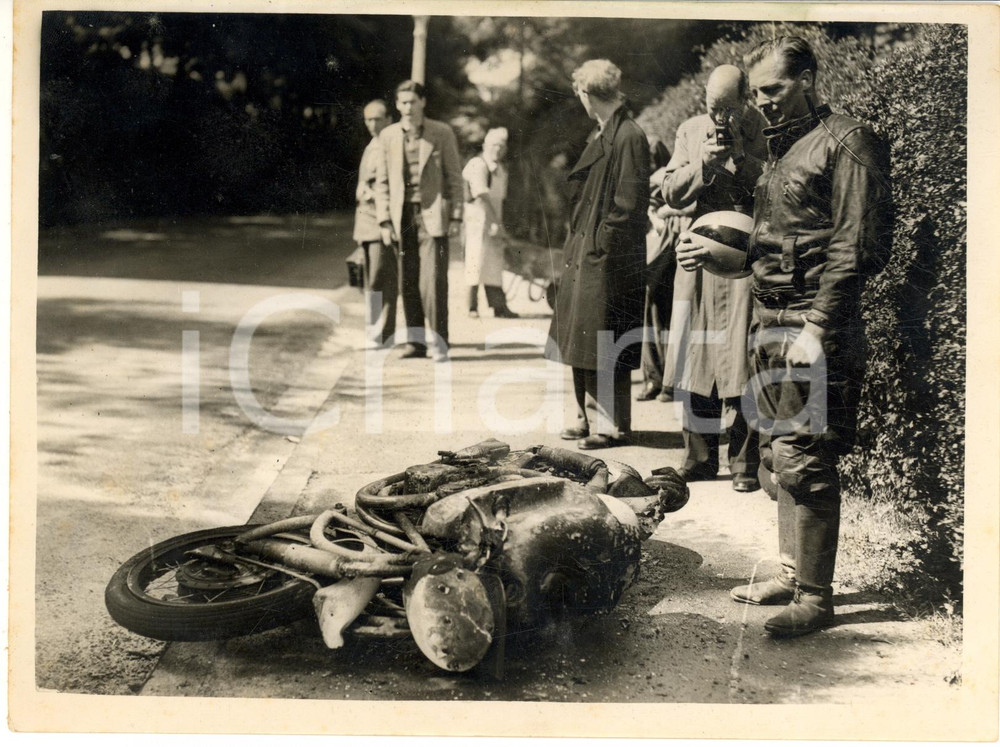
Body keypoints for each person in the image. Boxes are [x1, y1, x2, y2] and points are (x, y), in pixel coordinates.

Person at [685, 37, 892, 637]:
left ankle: (815, 598)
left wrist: (820, 327)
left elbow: (856, 248)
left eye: (773, 91)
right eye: (757, 95)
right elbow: (773, 244)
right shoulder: (784, 149)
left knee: (806, 460)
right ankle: (788, 571)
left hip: (811, 323)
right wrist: (722, 255)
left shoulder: (848, 142)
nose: (764, 105)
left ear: (806, 80)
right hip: (769, 321)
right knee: (777, 454)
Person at [660, 64, 766, 493]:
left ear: (745, 101)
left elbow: (775, 185)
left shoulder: (763, 127)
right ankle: (699, 458)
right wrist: (702, 165)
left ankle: (744, 463)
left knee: (740, 357)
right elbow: (669, 191)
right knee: (695, 354)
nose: (718, 117)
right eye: (712, 106)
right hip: (697, 257)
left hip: (742, 257)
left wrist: (740, 159)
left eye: (727, 107)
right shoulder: (689, 131)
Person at [544, 59, 649, 450]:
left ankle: (611, 426)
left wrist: (601, 247)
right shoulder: (604, 133)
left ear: (588, 94)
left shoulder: (628, 136)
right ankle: (586, 416)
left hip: (607, 258)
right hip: (587, 251)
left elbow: (629, 204)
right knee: (582, 336)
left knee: (604, 337)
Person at [374, 80, 464, 362]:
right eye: (402, 102)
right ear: (397, 105)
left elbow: (454, 177)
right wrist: (384, 221)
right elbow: (382, 182)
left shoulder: (441, 132)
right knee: (407, 280)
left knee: (434, 280)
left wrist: (457, 216)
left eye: (412, 102)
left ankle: (439, 343)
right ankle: (416, 343)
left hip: (433, 216)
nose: (407, 108)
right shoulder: (388, 136)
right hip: (402, 217)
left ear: (423, 102)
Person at [636, 136, 679, 402]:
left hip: (657, 253)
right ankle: (664, 379)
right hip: (664, 252)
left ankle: (657, 378)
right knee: (663, 315)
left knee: (652, 315)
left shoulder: (656, 180)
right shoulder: (667, 177)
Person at [353, 99, 397, 348]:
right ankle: (375, 330)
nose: (372, 124)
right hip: (366, 222)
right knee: (371, 278)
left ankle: (383, 332)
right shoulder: (372, 145)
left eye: (377, 119)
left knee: (383, 276)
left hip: (381, 220)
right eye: (368, 119)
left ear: (389, 119)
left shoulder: (390, 144)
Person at [463, 127, 518, 319]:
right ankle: (472, 307)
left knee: (494, 261)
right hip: (476, 221)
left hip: (494, 220)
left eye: (502, 146)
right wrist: (496, 222)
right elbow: (482, 196)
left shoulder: (501, 170)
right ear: (486, 145)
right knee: (475, 260)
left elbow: (500, 199)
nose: (498, 149)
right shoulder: (477, 164)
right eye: (494, 145)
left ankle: (499, 306)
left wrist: (500, 223)